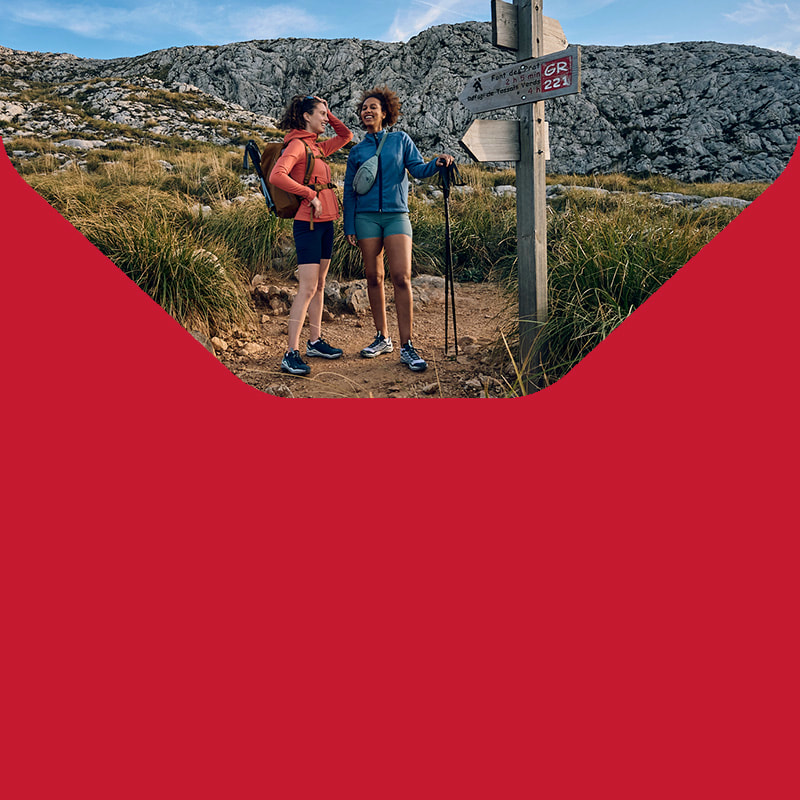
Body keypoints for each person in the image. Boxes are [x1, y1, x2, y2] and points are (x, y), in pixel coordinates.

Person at [343, 86, 454, 372]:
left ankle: (407, 346)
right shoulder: (357, 150)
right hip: (366, 218)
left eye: (373, 107)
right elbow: (349, 191)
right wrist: (349, 224)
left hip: (396, 216)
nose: (367, 111)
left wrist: (436, 164)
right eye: (363, 108)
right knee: (373, 277)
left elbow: (417, 168)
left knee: (402, 277)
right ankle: (382, 338)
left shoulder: (401, 140)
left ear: (385, 113)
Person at [270, 94, 352, 376]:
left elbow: (346, 134)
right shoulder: (296, 145)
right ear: (306, 116)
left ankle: (315, 342)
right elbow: (277, 175)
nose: (326, 119)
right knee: (306, 288)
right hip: (308, 223)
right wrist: (308, 194)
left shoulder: (316, 147)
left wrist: (328, 112)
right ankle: (290, 353)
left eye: (327, 114)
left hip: (327, 222)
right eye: (321, 113)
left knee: (319, 284)